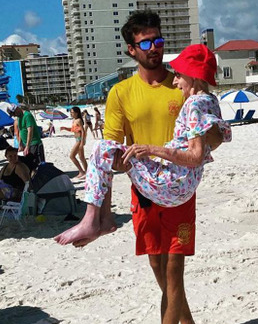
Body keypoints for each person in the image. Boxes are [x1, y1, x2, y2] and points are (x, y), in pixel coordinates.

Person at [78, 10, 195, 324]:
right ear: (132, 50)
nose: (156, 48)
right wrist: (113, 163)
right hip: (144, 191)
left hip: (180, 192)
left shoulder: (182, 85)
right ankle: (187, 322)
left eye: (159, 41)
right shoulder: (121, 93)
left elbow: (205, 132)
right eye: (147, 43)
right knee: (157, 266)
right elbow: (112, 148)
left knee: (174, 267)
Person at [55, 45, 230, 247]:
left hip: (171, 183)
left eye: (179, 75)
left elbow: (196, 156)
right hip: (183, 185)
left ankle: (93, 220)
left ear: (194, 76)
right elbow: (216, 140)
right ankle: (103, 219)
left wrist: (151, 149)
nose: (174, 81)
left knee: (101, 149)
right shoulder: (211, 101)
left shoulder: (194, 104)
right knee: (110, 153)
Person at [60, 107, 88, 180]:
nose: (71, 114)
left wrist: (82, 142)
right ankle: (85, 172)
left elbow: (83, 131)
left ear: (76, 113)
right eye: (71, 112)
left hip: (79, 140)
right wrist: (65, 128)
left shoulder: (79, 120)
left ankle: (83, 172)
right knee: (81, 157)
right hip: (77, 140)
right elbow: (73, 130)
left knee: (72, 156)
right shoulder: (74, 120)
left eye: (72, 112)